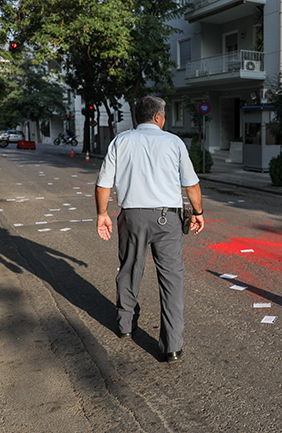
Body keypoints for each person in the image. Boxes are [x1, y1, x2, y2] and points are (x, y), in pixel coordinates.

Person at [95, 95, 205, 364]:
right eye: (164, 114)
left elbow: (103, 184)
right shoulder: (173, 142)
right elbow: (191, 185)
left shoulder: (120, 141)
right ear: (158, 117)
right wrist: (198, 213)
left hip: (132, 216)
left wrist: (102, 214)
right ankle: (172, 347)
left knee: (130, 269)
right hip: (167, 219)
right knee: (171, 280)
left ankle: (125, 325)